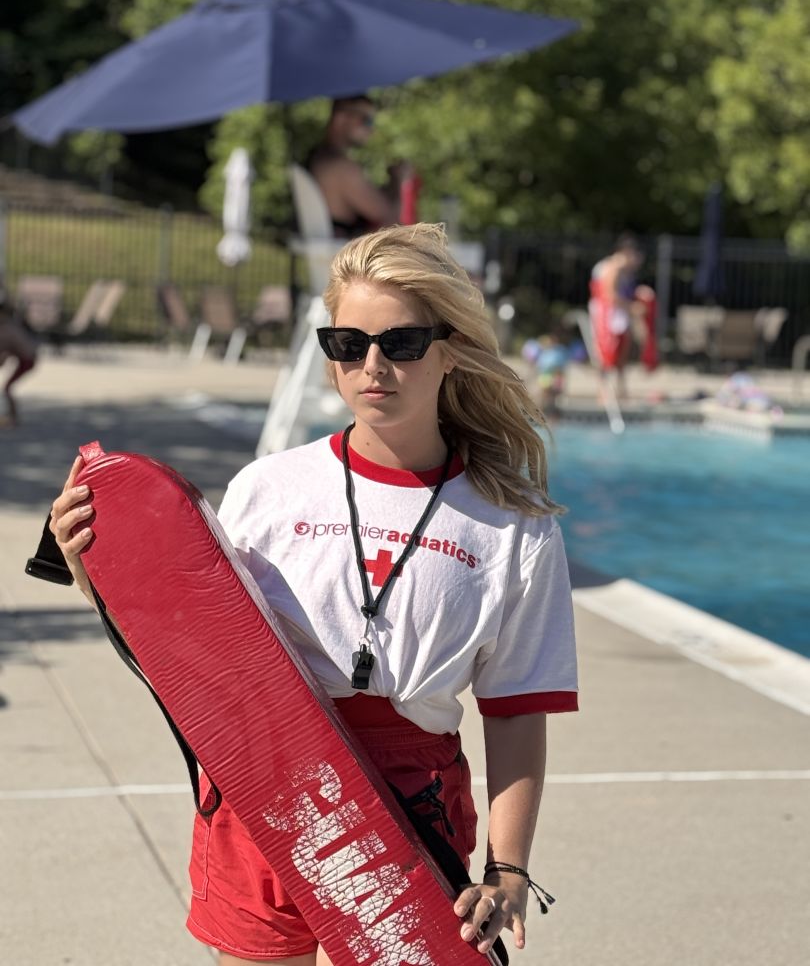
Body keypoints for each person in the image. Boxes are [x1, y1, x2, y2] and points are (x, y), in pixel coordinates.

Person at [48, 222, 579, 965]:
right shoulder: (269, 488)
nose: (372, 366)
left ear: (451, 349)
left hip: (411, 793)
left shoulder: (512, 524)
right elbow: (187, 644)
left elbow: (516, 706)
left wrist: (509, 867)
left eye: (401, 343)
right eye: (347, 343)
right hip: (263, 770)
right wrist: (91, 567)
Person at [307, 94, 412, 238]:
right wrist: (400, 179)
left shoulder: (319, 157)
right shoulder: (340, 168)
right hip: (348, 250)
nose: (371, 129)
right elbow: (392, 223)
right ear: (340, 118)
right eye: (367, 121)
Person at [588, 232, 655, 400]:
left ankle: (618, 389)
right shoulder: (613, 268)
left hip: (616, 314)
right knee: (606, 351)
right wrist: (633, 307)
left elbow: (623, 293)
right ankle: (604, 391)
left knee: (620, 351)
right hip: (607, 315)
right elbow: (609, 296)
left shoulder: (624, 271)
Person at [0, 284, 38, 427]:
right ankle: (12, 416)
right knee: (7, 387)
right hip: (27, 356)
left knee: (7, 388)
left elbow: (4, 351)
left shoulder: (6, 329)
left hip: (27, 360)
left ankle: (13, 417)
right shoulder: (12, 324)